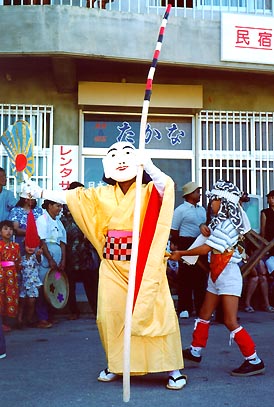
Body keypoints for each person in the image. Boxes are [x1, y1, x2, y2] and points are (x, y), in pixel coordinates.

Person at [22, 141, 186, 390]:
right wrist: (40, 191)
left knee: (156, 312)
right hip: (111, 264)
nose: (121, 160)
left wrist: (149, 164)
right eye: (114, 156)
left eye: (127, 155)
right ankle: (117, 364)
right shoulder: (101, 194)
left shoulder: (149, 190)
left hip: (143, 266)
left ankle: (172, 368)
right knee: (111, 315)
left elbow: (166, 187)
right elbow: (72, 197)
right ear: (107, 167)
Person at [169, 180, 265, 377]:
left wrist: (182, 253)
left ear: (224, 202)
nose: (210, 204)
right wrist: (205, 225)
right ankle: (196, 350)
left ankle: (253, 359)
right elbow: (208, 234)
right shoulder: (221, 222)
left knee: (230, 320)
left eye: (213, 200)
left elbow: (207, 248)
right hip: (217, 273)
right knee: (204, 313)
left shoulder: (229, 225)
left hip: (228, 275)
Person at [61, 181, 100, 319]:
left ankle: (97, 311)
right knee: (70, 283)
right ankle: (73, 311)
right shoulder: (65, 208)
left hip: (86, 252)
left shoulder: (89, 208)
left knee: (91, 284)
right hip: (71, 252)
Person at [170, 181, 208, 319]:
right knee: (185, 277)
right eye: (197, 192)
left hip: (200, 244)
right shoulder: (180, 210)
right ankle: (184, 308)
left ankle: (200, 308)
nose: (199, 194)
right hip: (185, 243)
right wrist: (178, 244)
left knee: (200, 277)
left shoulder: (202, 209)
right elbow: (174, 229)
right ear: (189, 195)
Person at [35, 200, 66, 329]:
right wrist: (50, 259)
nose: (60, 209)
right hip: (46, 257)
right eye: (57, 206)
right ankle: (42, 318)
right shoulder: (42, 220)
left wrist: (63, 260)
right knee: (43, 287)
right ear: (49, 206)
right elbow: (42, 241)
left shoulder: (59, 222)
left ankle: (50, 315)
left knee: (54, 285)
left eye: (61, 206)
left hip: (58, 256)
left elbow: (63, 242)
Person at [17, 211, 43, 328]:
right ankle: (20, 320)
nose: (30, 248)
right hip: (23, 283)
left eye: (33, 246)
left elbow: (38, 259)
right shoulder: (21, 258)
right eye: (28, 245)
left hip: (32, 284)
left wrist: (38, 253)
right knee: (22, 302)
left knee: (31, 302)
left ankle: (29, 319)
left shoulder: (35, 257)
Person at [0, 220, 21, 332]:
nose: (8, 231)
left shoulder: (16, 246)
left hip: (12, 275)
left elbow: (18, 262)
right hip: (1, 275)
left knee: (11, 296)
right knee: (1, 297)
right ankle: (2, 322)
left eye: (10, 229)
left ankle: (9, 322)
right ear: (0, 232)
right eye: (5, 229)